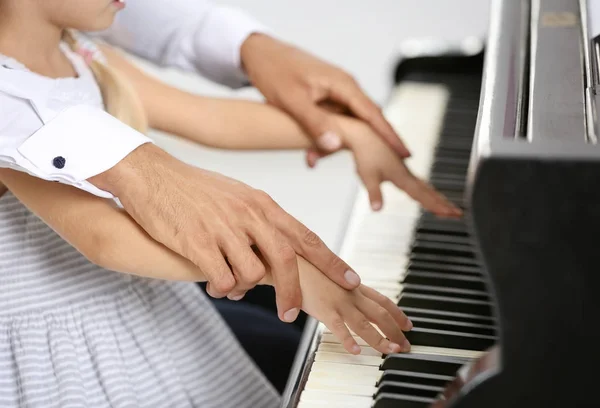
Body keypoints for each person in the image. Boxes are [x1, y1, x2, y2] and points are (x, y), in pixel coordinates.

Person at [0, 2, 427, 406]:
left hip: (149, 308)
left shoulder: (84, 54)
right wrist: (278, 267)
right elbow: (104, 239)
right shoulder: (11, 110)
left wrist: (347, 131)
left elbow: (211, 118)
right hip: (70, 353)